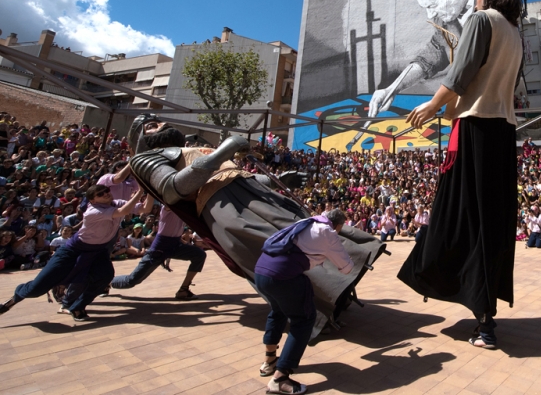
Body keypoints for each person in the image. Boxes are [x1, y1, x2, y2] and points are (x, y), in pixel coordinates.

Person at [126, 114, 384, 332]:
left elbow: (234, 176)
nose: (158, 124)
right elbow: (173, 189)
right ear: (140, 139)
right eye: (149, 126)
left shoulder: (190, 149)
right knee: (282, 250)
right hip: (226, 207)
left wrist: (276, 180)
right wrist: (224, 150)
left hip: (253, 194)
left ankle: (336, 290)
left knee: (307, 230)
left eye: (158, 121)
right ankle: (312, 308)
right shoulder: (144, 159)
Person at [398, 0, 523, 350]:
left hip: (476, 130)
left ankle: (451, 287)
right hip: (503, 132)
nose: (474, 2)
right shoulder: (516, 34)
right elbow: (494, 81)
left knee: (462, 216)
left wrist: (433, 105)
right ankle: (484, 316)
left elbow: (463, 71)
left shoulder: (481, 21)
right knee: (490, 221)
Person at [0, 185, 152, 320]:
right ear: (92, 200)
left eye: (106, 191)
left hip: (98, 251)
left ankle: (77, 306)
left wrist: (152, 191)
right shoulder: (93, 211)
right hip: (73, 250)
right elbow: (122, 211)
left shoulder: (116, 202)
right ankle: (15, 298)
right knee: (38, 287)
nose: (106, 193)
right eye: (100, 194)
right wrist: (140, 191)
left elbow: (145, 209)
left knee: (105, 276)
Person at [255, 209, 354, 395]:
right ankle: (280, 378)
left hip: (262, 271)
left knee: (278, 311)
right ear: (339, 225)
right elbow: (346, 268)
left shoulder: (307, 222)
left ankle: (269, 361)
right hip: (283, 276)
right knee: (304, 320)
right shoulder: (328, 233)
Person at [368, 0, 481, 117]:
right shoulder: (446, 16)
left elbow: (471, 64)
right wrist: (392, 89)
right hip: (466, 111)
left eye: (432, 5)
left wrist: (434, 104)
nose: (430, 14)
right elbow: (431, 56)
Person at [109, 203, 207, 299]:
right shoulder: (167, 208)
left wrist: (184, 244)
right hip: (157, 251)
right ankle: (104, 283)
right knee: (131, 281)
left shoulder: (183, 211)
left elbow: (175, 232)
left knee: (199, 255)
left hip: (175, 246)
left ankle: (183, 290)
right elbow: (169, 201)